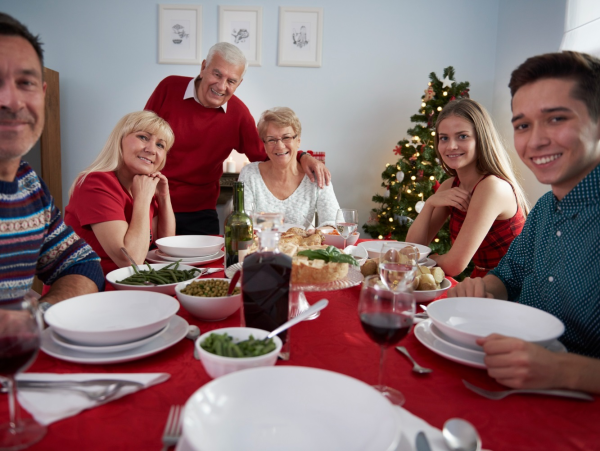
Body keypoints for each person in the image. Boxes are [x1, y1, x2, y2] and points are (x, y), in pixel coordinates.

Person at [448, 51, 600, 394]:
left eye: (557, 119)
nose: (535, 140)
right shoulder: (546, 208)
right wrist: (483, 289)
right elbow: (509, 276)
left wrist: (562, 370)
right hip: (511, 378)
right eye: (522, 125)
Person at [145, 42, 330, 236]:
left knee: (207, 266)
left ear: (239, 84)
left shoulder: (238, 114)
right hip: (151, 202)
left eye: (231, 81)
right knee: (145, 263)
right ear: (203, 67)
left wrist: (302, 156)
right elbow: (141, 137)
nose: (221, 86)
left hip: (198, 210)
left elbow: (267, 152)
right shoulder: (169, 87)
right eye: (217, 74)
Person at [0, 13, 103, 307]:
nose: (13, 101)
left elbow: (82, 264)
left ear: (43, 95)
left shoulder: (29, 184)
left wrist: (37, 316)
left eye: (25, 82)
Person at [406, 98, 529, 277]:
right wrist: (430, 203)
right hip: (483, 281)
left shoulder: (492, 187)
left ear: (481, 139)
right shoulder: (450, 185)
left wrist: (423, 261)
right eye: (444, 138)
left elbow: (454, 265)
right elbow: (411, 249)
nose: (451, 146)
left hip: (513, 289)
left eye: (462, 136)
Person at [64, 111, 176, 275]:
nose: (152, 149)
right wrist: (143, 199)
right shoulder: (95, 183)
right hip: (88, 288)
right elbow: (130, 260)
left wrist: (164, 197)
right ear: (119, 140)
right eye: (143, 137)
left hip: (125, 283)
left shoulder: (142, 185)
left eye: (160, 145)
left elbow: (166, 248)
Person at [238, 107, 340, 226]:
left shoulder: (316, 175)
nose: (280, 146)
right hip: (262, 244)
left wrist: (318, 233)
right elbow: (242, 222)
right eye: (271, 140)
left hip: (302, 245)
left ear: (298, 141)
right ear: (264, 145)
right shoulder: (250, 174)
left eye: (286, 137)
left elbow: (335, 224)